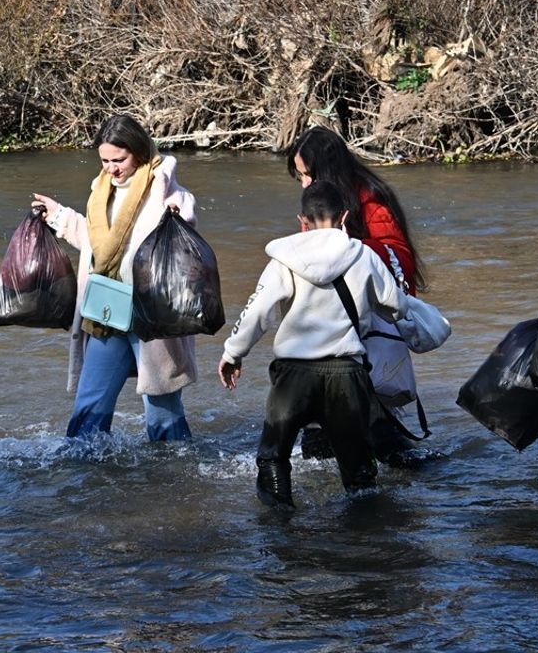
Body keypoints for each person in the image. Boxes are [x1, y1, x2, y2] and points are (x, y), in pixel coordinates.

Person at [218, 180, 408, 510]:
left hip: (294, 375)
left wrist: (233, 353)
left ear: (301, 221)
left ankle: (281, 533)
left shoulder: (284, 259)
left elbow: (257, 312)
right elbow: (396, 306)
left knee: (273, 458)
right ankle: (366, 540)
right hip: (347, 374)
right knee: (358, 470)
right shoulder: (363, 256)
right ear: (344, 218)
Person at [32, 114, 198, 442]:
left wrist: (176, 220)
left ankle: (176, 473)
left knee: (161, 405)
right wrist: (60, 217)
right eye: (105, 161)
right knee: (89, 405)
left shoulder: (168, 192)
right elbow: (100, 247)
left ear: (137, 152)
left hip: (148, 318)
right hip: (107, 312)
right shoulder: (100, 192)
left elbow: (186, 242)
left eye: (119, 160)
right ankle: (82, 477)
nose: (111, 168)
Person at [286, 126, 428, 464]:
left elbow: (400, 260)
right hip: (328, 324)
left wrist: (346, 247)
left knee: (372, 423)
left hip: (367, 323)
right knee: (324, 424)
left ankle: (389, 481)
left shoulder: (371, 200)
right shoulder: (322, 202)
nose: (304, 184)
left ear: (328, 170)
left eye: (308, 175)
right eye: (301, 178)